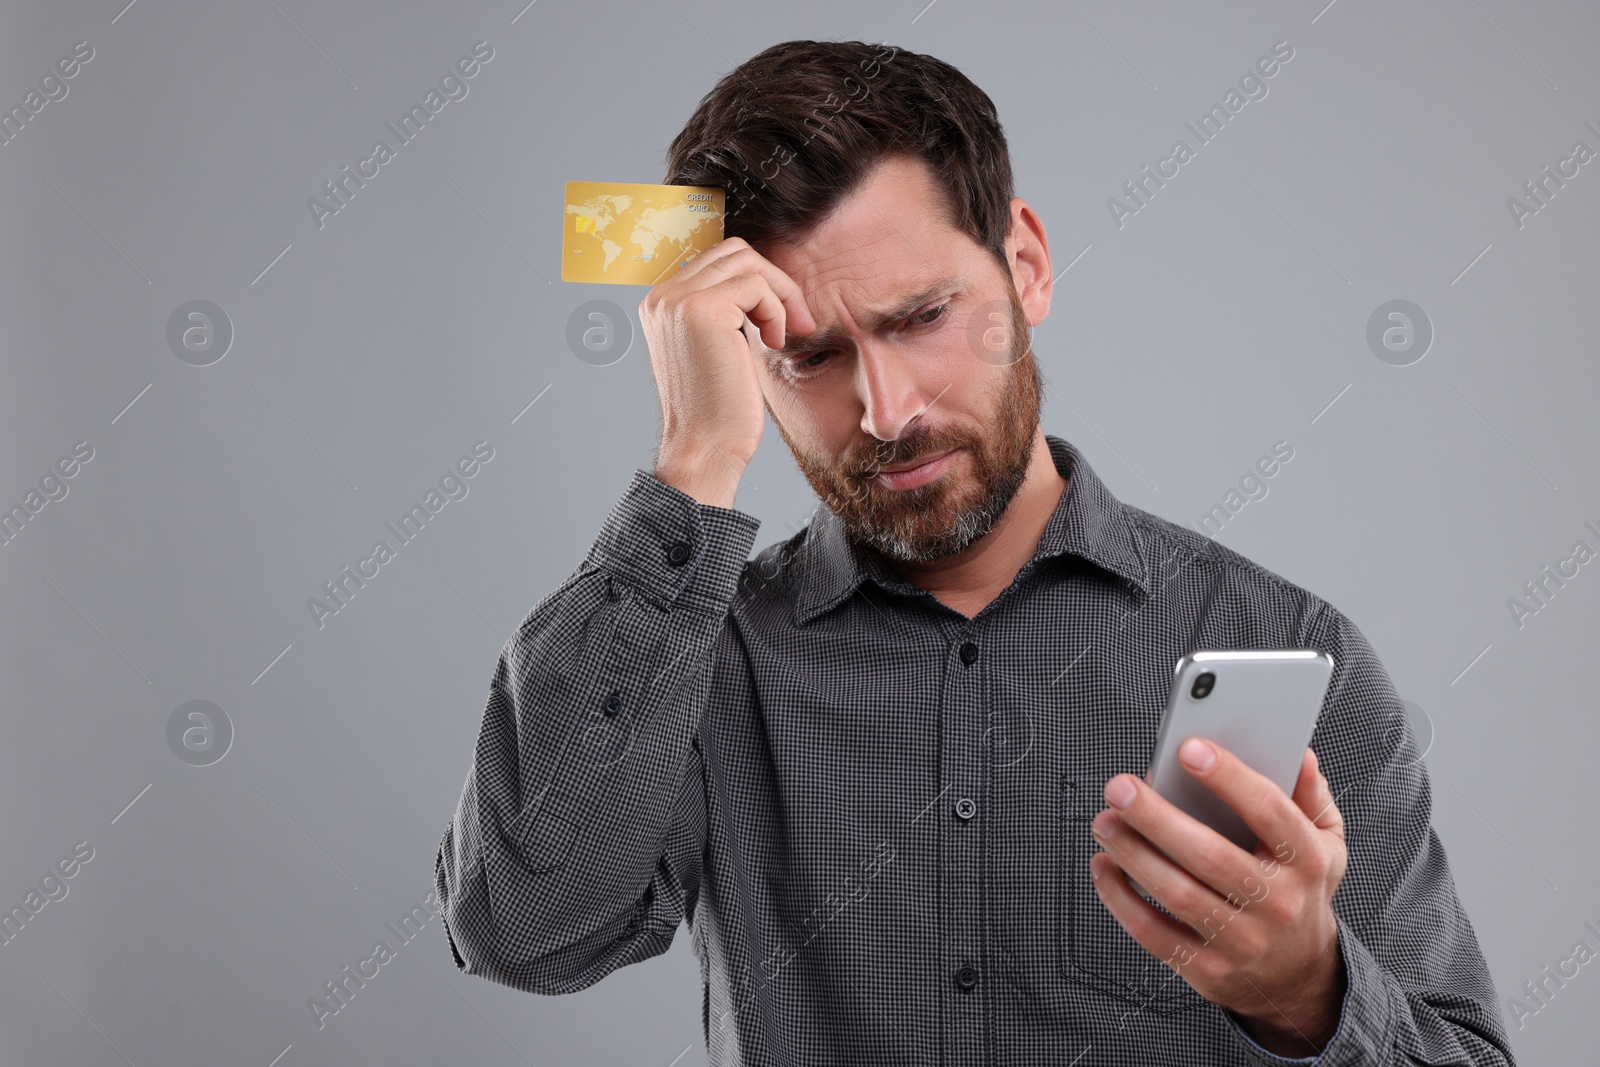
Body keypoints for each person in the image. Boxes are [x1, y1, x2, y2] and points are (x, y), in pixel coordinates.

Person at [434, 39, 1513, 1066]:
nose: (886, 409)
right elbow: (524, 931)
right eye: (808, 354)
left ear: (1026, 267)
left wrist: (1304, 992)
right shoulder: (700, 657)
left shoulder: (1283, 645)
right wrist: (694, 456)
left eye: (921, 316)